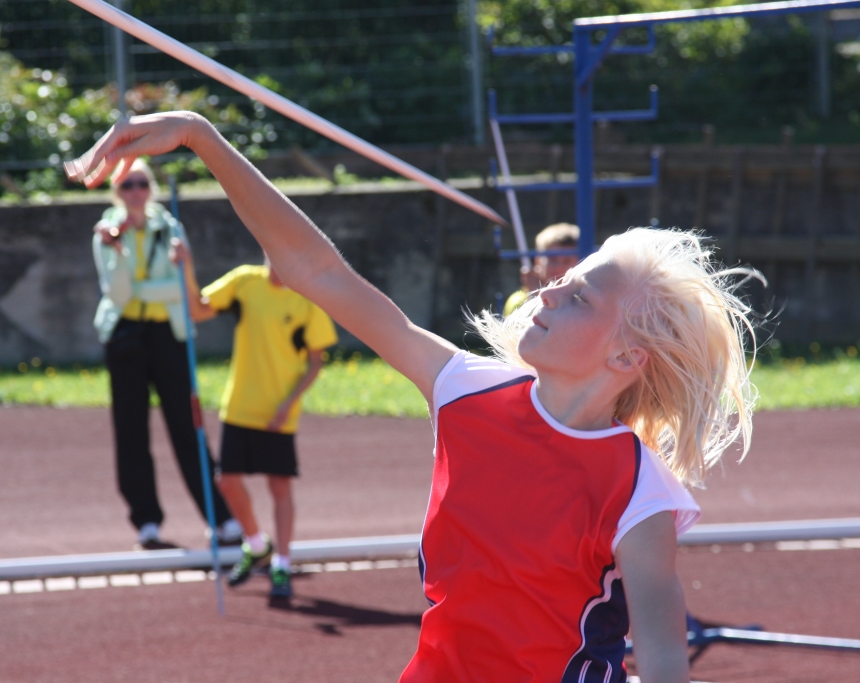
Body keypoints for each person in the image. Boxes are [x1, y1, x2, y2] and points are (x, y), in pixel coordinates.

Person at [67, 113, 758, 683]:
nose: (547, 289)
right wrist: (201, 138)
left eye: (577, 295)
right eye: (562, 277)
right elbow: (315, 271)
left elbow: (665, 661)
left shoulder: (640, 489)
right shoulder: (466, 388)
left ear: (626, 357)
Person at [91, 157, 241, 551]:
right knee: (131, 429)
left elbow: (180, 289)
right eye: (126, 186)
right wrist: (120, 252)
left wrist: (154, 283)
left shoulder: (170, 227)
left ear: (151, 187)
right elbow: (119, 295)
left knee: (188, 425)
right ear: (116, 193)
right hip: (125, 337)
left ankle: (220, 517)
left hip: (168, 335)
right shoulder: (105, 233)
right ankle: (146, 521)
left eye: (141, 183)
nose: (135, 192)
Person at [173, 254, 338, 599]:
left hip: (278, 413)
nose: (275, 260)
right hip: (240, 406)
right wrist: (186, 265)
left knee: (279, 486)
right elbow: (197, 310)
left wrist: (287, 405)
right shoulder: (245, 281)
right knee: (226, 481)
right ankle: (256, 543)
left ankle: (282, 563)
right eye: (268, 251)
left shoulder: (307, 297)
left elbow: (315, 362)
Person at [502, 222, 580, 316]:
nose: (559, 267)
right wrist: (536, 298)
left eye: (567, 261)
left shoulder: (586, 299)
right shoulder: (519, 302)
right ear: (538, 261)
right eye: (553, 259)